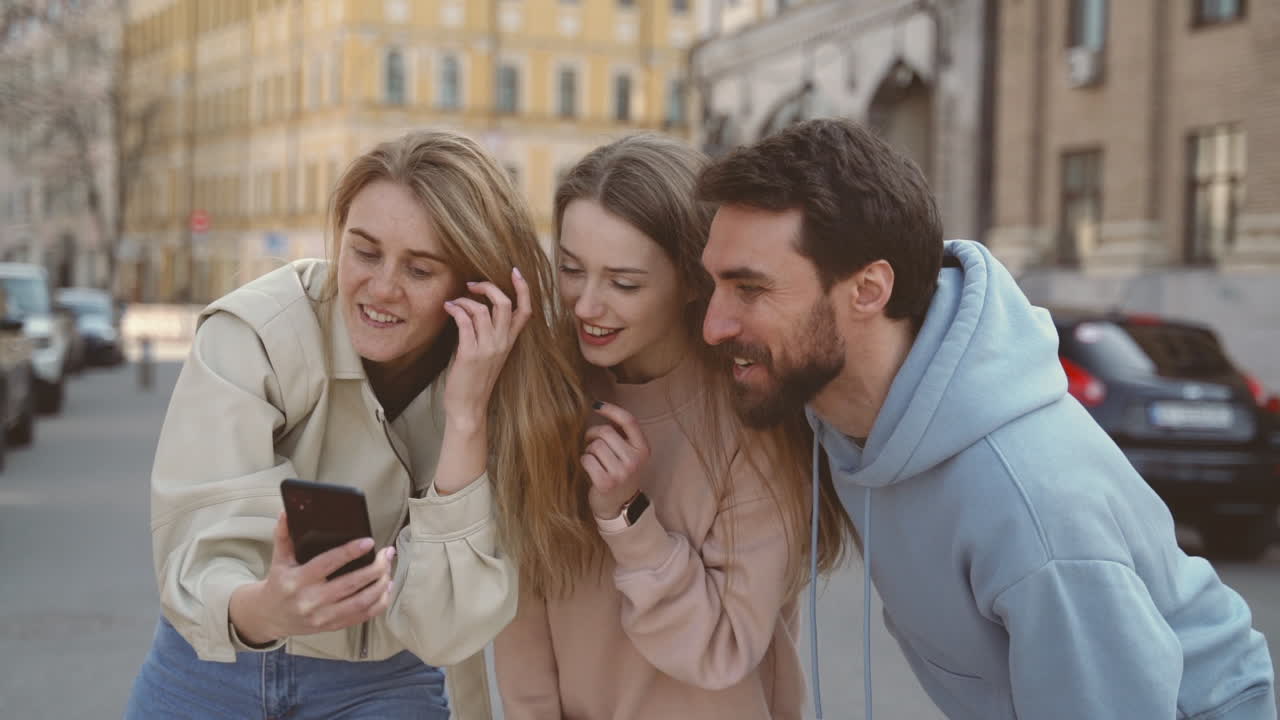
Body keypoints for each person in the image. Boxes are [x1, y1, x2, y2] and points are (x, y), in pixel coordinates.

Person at [696, 117, 1276, 720]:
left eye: (750, 290)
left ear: (868, 291)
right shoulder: (844, 405)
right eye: (714, 286)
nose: (714, 325)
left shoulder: (1030, 508)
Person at [125, 130, 587, 720]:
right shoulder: (253, 335)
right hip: (212, 668)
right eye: (364, 252)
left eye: (420, 269)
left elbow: (444, 626)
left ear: (473, 283)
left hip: (385, 680)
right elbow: (199, 550)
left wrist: (468, 415)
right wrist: (271, 607)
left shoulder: (507, 381)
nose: (382, 287)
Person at [492, 134, 854, 720]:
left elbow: (721, 650)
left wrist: (628, 518)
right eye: (571, 270)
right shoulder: (547, 396)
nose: (586, 305)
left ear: (693, 280)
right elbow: (524, 638)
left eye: (623, 282)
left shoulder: (754, 417)